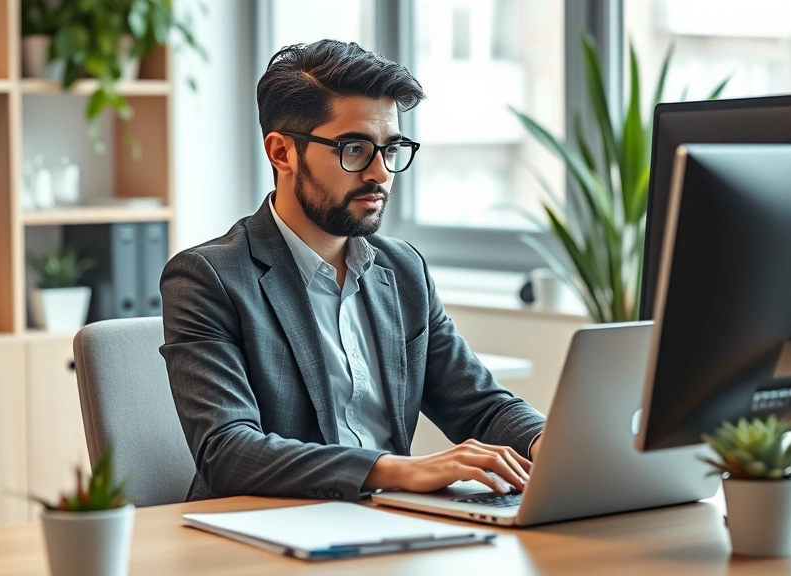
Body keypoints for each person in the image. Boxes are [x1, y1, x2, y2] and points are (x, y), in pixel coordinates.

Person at [160, 39, 545, 502]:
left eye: (391, 148)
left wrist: (554, 447)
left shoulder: (403, 270)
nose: (380, 173)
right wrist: (397, 471)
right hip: (264, 533)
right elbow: (228, 452)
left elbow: (480, 406)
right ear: (282, 153)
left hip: (390, 527)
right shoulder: (208, 278)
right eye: (356, 149)